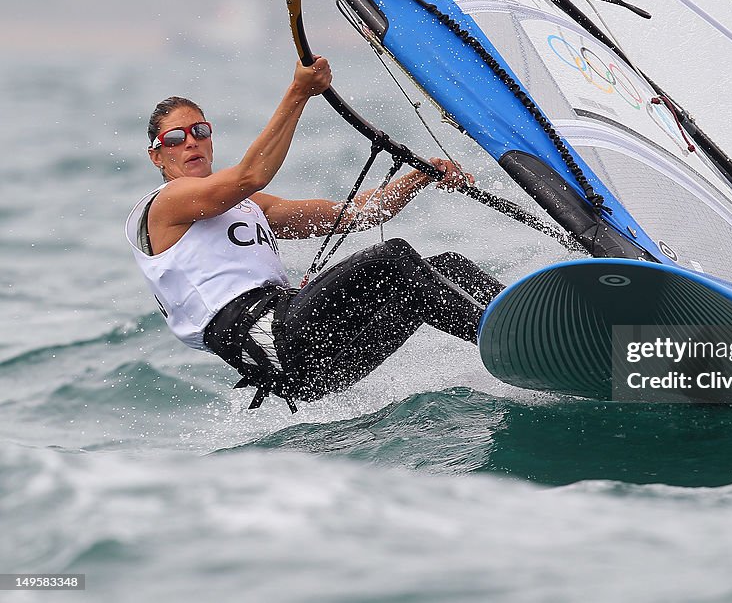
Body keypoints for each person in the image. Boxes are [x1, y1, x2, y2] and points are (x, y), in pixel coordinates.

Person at [125, 57, 503, 412]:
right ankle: (505, 344)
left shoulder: (250, 207)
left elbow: (356, 215)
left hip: (317, 367)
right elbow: (249, 175)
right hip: (280, 345)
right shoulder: (164, 206)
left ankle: (528, 323)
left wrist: (420, 177)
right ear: (157, 156)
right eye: (174, 138)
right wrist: (298, 91)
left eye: (199, 131)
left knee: (442, 269)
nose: (190, 142)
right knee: (393, 258)